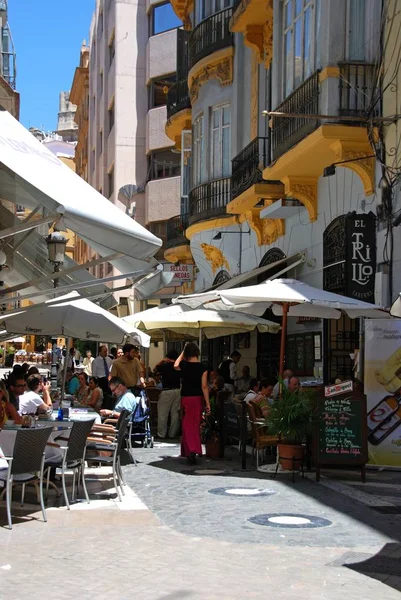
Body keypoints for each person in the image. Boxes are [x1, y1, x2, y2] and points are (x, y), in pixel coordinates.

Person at [174, 342, 210, 465]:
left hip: (185, 398)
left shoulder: (184, 365)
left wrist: (183, 352)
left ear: (187, 354)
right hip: (197, 398)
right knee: (194, 424)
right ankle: (192, 450)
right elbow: (204, 387)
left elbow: (175, 365)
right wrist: (208, 403)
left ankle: (191, 450)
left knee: (187, 425)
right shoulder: (203, 367)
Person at [155, 349, 181, 440]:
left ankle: (161, 434)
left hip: (166, 391)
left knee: (163, 413)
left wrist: (163, 360)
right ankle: (172, 434)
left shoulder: (165, 366)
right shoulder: (179, 366)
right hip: (178, 390)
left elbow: (156, 367)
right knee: (175, 414)